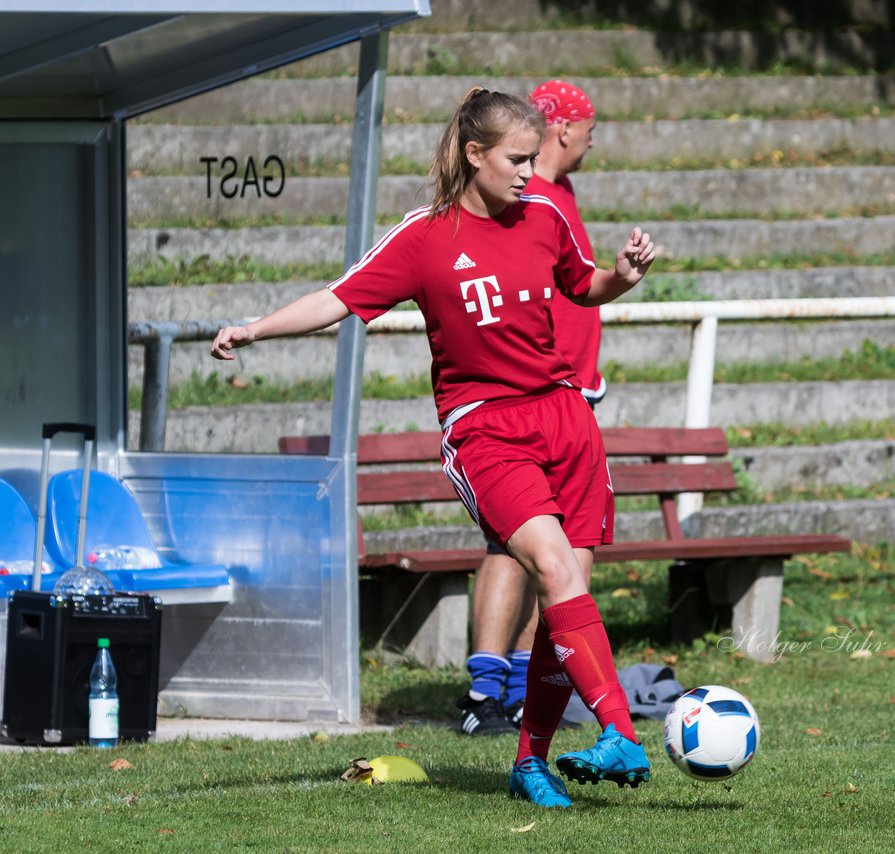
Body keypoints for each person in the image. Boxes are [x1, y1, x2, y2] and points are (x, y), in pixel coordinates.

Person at [211, 87, 657, 809]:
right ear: (476, 154)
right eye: (516, 157)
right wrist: (254, 328)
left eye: (534, 156)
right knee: (550, 566)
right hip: (487, 428)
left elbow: (584, 285)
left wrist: (624, 278)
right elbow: (339, 297)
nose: (528, 170)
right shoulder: (425, 238)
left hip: (567, 419)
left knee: (564, 594)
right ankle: (621, 733)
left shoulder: (545, 213)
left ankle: (528, 764)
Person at [457, 79, 606, 737]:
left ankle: (524, 686)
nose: (591, 142)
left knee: (571, 544)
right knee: (520, 545)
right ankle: (488, 690)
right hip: (528, 406)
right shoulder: (524, 204)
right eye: (589, 129)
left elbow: (583, 285)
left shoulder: (551, 202)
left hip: (566, 402)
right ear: (564, 129)